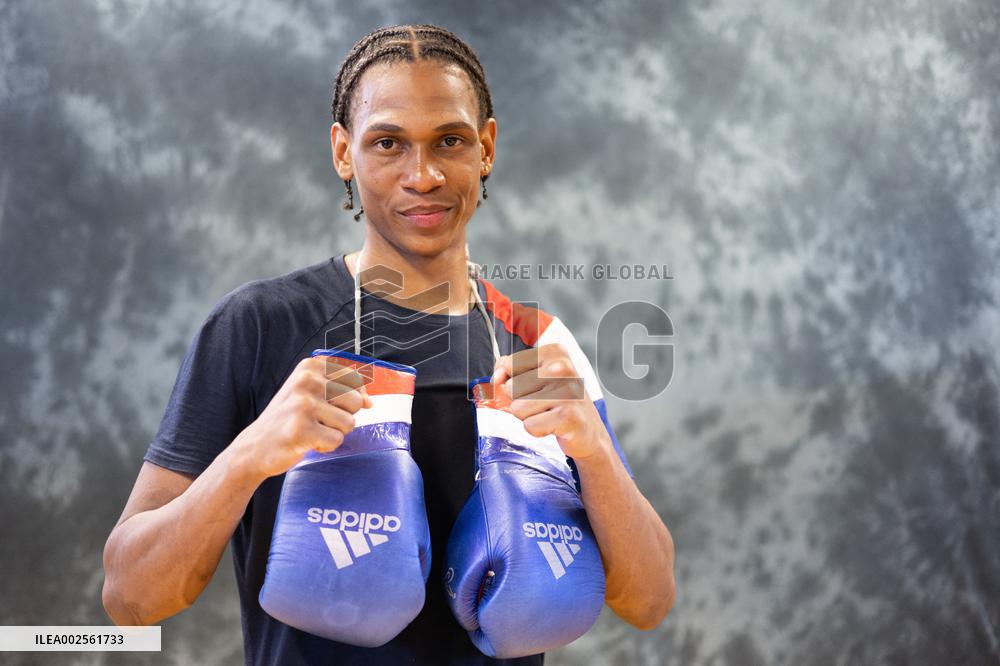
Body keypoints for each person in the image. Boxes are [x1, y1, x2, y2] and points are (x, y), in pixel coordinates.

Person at [101, 23, 675, 665]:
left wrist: (593, 451)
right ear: (344, 153)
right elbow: (130, 598)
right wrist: (250, 454)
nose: (423, 175)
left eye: (450, 141)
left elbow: (648, 600)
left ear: (486, 147)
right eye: (388, 143)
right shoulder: (257, 325)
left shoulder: (536, 340)